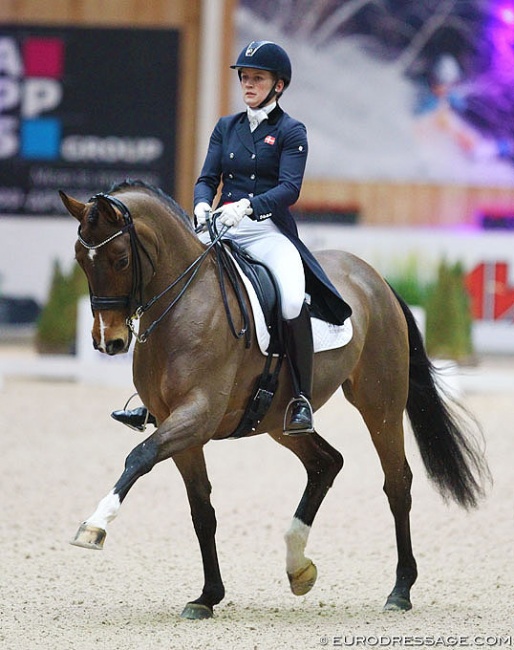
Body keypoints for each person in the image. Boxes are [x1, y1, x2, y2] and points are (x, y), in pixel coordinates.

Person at [112, 40, 351, 435]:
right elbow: (207, 178)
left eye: (257, 78)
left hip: (267, 231)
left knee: (292, 298)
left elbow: (290, 188)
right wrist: (203, 205)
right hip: (220, 226)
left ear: (278, 85)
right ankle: (153, 399)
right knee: (170, 285)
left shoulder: (292, 131)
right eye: (244, 77)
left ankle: (301, 400)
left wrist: (249, 206)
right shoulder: (227, 127)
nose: (248, 84)